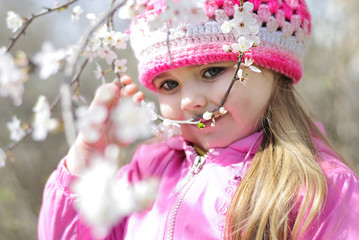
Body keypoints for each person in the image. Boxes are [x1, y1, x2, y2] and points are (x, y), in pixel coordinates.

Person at [38, 0, 359, 239]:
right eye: (169, 85)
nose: (189, 100)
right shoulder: (147, 173)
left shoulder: (318, 191)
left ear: (273, 69)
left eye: (211, 71)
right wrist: (87, 160)